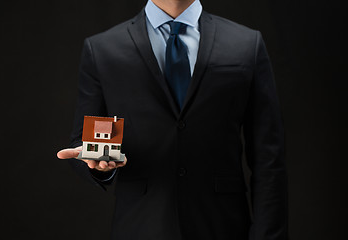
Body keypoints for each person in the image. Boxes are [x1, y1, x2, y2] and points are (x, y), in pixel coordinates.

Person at [57, 0, 288, 239]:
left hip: (223, 226)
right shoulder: (102, 48)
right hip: (140, 226)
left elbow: (269, 158)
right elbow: (82, 141)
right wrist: (97, 163)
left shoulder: (246, 43)